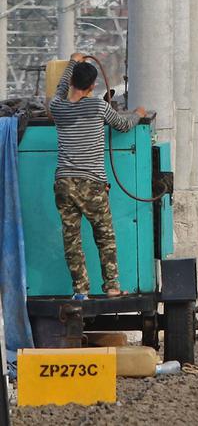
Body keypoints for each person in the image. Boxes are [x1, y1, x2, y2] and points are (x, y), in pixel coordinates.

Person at [49, 53, 146, 299]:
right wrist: (139, 114)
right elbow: (124, 125)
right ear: (92, 86)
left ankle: (80, 291)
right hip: (91, 183)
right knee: (104, 236)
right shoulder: (99, 106)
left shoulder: (57, 108)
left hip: (63, 182)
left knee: (72, 239)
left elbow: (59, 92)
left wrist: (72, 62)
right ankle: (111, 287)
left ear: (71, 82)